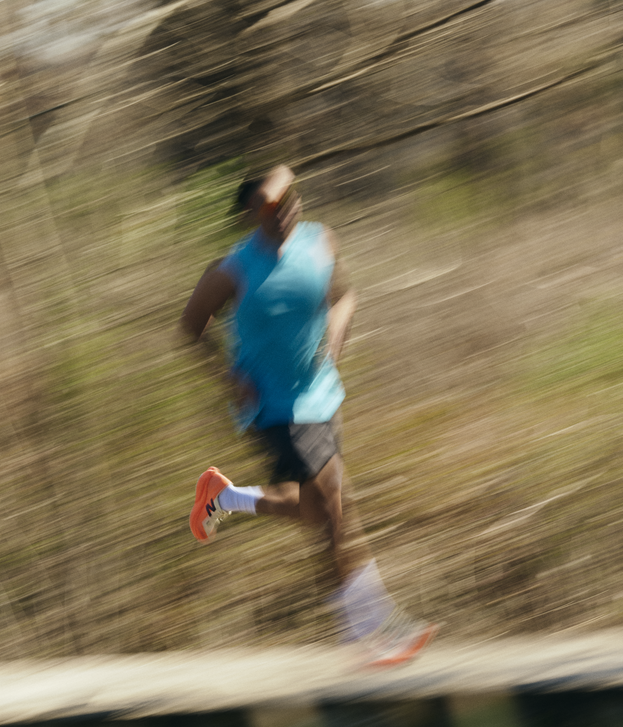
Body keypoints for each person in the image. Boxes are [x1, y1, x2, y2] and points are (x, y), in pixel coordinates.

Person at [179, 165, 437, 666]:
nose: (287, 210)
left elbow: (344, 295)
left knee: (322, 514)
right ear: (253, 214)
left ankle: (226, 497)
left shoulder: (321, 242)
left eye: (291, 201)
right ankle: (378, 628)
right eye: (272, 208)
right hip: (270, 405)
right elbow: (190, 326)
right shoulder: (232, 269)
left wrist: (336, 333)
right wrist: (228, 378)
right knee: (336, 511)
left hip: (321, 394)